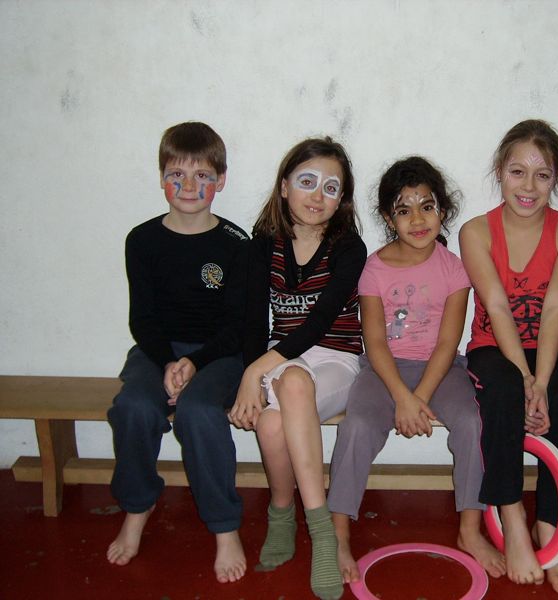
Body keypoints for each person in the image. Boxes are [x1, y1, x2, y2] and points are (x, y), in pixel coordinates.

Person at [326, 156, 507, 584]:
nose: (418, 219)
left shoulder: (454, 269)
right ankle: (338, 534)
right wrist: (401, 397)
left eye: (427, 206)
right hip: (383, 371)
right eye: (403, 210)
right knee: (356, 427)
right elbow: (375, 342)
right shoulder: (374, 268)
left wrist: (419, 397)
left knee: (472, 421)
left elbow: (447, 343)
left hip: (440, 371)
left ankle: (470, 529)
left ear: (442, 210)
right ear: (389, 218)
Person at [106, 122, 249, 583]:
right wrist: (168, 360)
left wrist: (195, 363)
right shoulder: (142, 240)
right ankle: (137, 506)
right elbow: (142, 318)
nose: (189, 186)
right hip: (157, 351)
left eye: (202, 175)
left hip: (218, 355)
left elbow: (238, 326)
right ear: (161, 178)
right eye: (177, 175)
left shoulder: (236, 244)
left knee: (199, 411)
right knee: (132, 406)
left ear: (220, 181)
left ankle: (224, 526)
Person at [228, 137, 366, 600]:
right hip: (281, 357)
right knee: (269, 425)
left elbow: (319, 323)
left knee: (292, 383)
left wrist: (254, 374)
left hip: (336, 360)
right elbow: (253, 322)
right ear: (285, 186)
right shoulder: (262, 245)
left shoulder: (349, 247)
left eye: (331, 187)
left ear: (341, 199)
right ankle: (281, 514)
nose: (317, 195)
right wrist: (251, 372)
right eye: (307, 181)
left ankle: (321, 532)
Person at [460, 120, 558, 594]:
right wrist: (525, 380)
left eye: (543, 174)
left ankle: (549, 526)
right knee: (504, 392)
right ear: (500, 171)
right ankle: (512, 516)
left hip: (550, 348)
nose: (529, 186)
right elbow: (496, 308)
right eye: (518, 172)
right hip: (492, 346)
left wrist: (544, 381)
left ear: (556, 178)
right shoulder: (476, 232)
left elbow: (555, 309)